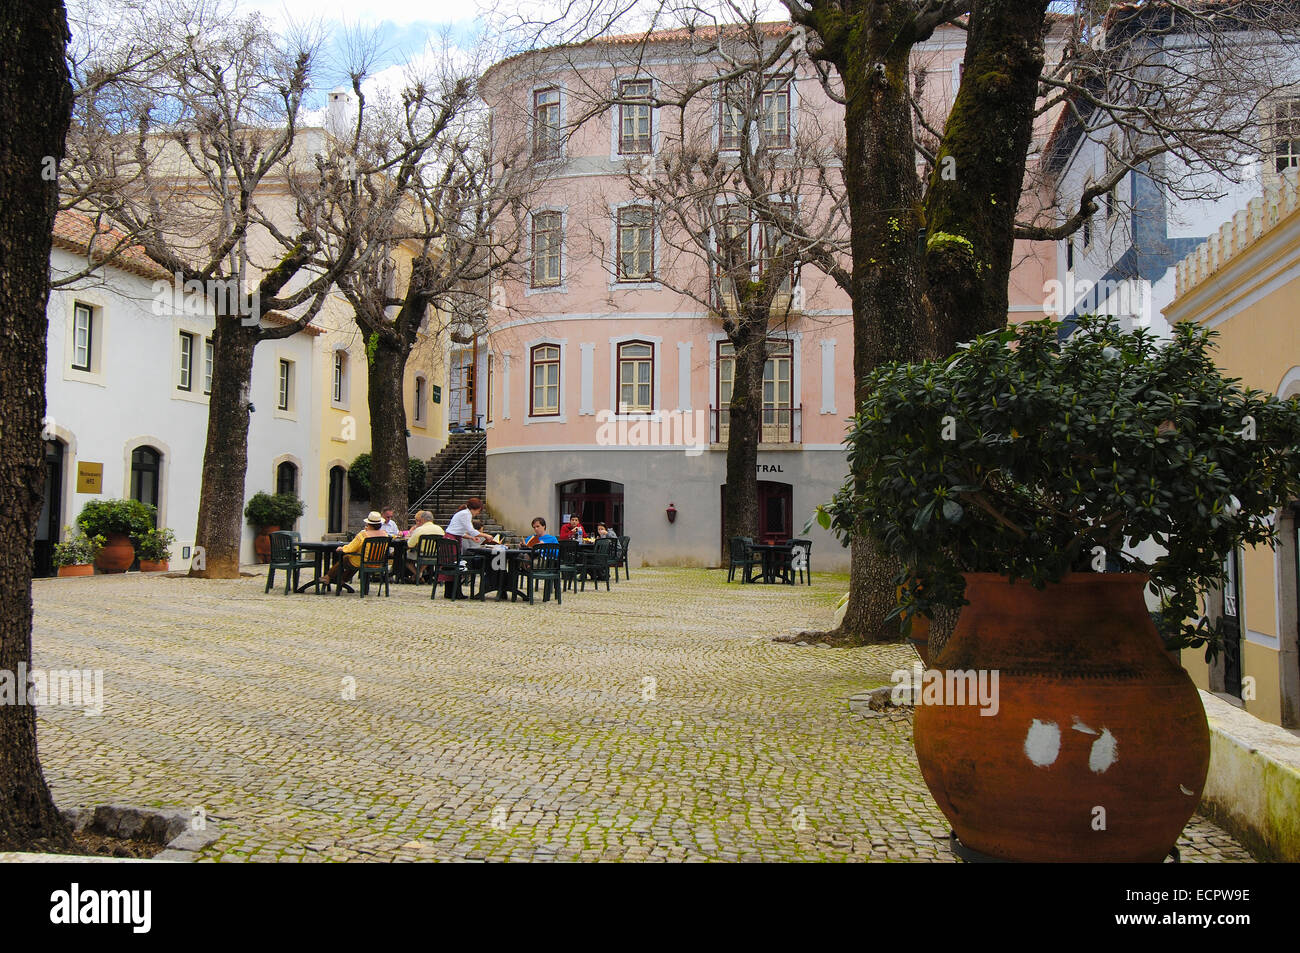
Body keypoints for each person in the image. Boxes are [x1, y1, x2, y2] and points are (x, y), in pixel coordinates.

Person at [326, 511, 390, 586]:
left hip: (363, 562)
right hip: (378, 563)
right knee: (353, 561)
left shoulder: (363, 535)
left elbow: (351, 548)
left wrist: (342, 548)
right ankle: (342, 580)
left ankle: (328, 577)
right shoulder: (385, 535)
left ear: (368, 524)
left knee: (346, 559)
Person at [405, 510, 444, 580]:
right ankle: (419, 575)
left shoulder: (420, 530)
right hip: (435, 555)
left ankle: (417, 575)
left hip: (421, 554)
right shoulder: (440, 529)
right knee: (426, 557)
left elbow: (410, 544)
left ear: (422, 519)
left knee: (405, 558)